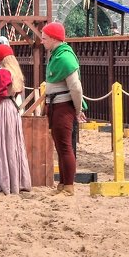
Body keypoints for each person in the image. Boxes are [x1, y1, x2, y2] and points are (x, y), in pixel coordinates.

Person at [40, 22, 86, 195]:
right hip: (56, 105)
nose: (42, 41)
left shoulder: (65, 58)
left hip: (63, 105)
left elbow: (75, 87)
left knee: (65, 146)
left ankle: (69, 185)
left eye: (45, 38)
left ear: (53, 38)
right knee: (60, 145)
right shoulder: (56, 55)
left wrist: (78, 108)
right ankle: (63, 183)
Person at [0, 43, 32, 195]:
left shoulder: (2, 72)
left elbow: (0, 93)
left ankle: (3, 182)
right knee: (13, 144)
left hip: (3, 108)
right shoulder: (15, 71)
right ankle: (17, 181)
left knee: (2, 144)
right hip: (13, 108)